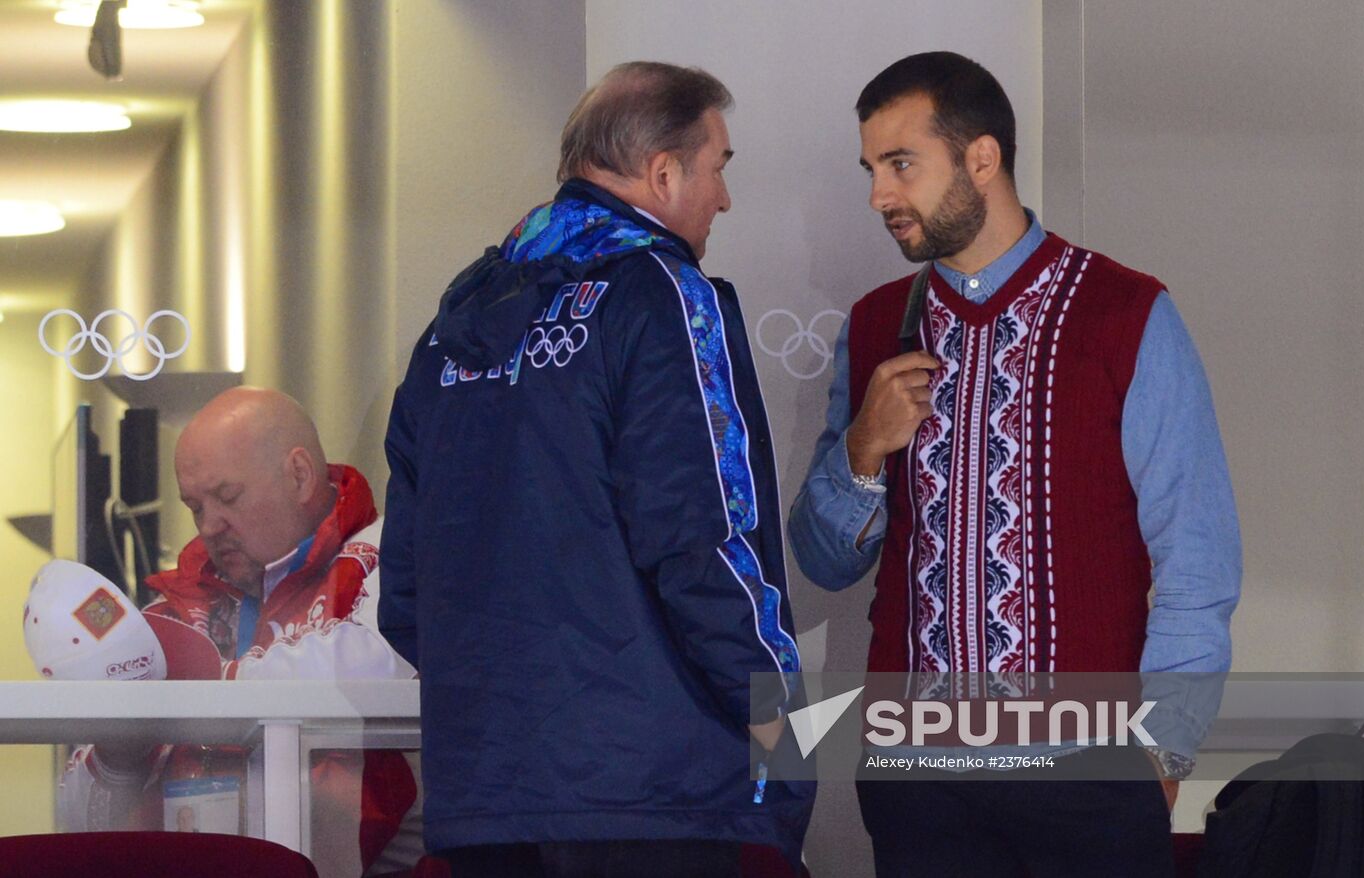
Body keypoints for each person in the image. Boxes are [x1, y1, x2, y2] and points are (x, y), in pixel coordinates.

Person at [788, 51, 1242, 876]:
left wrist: (1163, 750)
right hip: (921, 779)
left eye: (900, 165)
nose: (878, 197)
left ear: (982, 159)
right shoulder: (876, 325)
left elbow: (1197, 552)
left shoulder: (1125, 313)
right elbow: (823, 559)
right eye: (871, 170)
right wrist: (861, 451)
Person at [381, 61, 813, 878]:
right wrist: (786, 732)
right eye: (718, 168)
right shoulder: (662, 293)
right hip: (663, 795)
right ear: (662, 172)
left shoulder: (450, 330)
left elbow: (407, 594)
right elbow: (706, 543)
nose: (723, 199)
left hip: (485, 801)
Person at [57, 387, 425, 878]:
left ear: (299, 475)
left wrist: (210, 679)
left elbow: (382, 662)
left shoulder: (389, 556)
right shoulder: (172, 609)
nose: (208, 526)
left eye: (227, 497)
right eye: (194, 506)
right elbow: (75, 829)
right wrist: (118, 759)